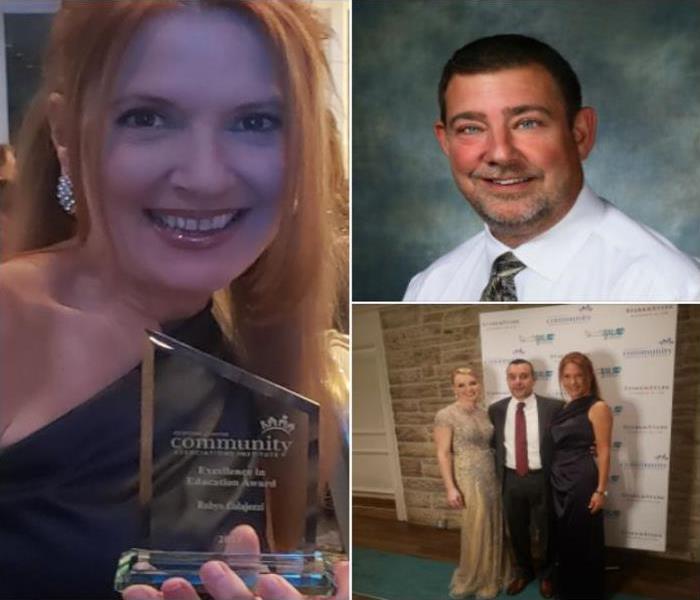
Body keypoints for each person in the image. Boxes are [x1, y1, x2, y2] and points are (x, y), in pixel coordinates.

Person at [0, 2, 348, 599]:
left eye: (256, 122)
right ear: (64, 133)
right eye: (147, 118)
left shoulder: (263, 365)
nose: (206, 176)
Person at [403, 34, 700, 302]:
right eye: (471, 128)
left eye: (527, 123)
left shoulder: (671, 288)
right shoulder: (429, 288)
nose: (501, 154)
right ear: (445, 142)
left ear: (580, 134)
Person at [487, 359, 563, 598]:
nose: (518, 381)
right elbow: (494, 444)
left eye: (523, 376)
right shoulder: (496, 409)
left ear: (534, 379)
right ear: (507, 380)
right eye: (512, 377)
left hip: (543, 479)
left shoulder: (554, 407)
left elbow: (566, 441)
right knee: (517, 531)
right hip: (511, 479)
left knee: (548, 531)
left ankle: (548, 575)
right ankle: (524, 572)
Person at [434, 367, 509, 599]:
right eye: (461, 385)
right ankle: (476, 576)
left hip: (491, 475)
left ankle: (493, 573)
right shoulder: (445, 415)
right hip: (468, 477)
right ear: (453, 389)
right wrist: (450, 487)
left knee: (494, 522)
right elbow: (443, 453)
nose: (469, 389)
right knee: (476, 526)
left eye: (472, 383)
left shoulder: (484, 412)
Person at [550, 352, 612, 600]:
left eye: (578, 376)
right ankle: (567, 591)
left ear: (589, 376)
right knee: (565, 540)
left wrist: (600, 490)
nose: (573, 382)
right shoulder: (564, 407)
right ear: (561, 378)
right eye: (567, 376)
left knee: (582, 539)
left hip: (581, 480)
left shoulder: (598, 407)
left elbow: (605, 449)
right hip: (558, 480)